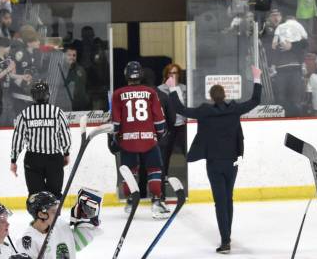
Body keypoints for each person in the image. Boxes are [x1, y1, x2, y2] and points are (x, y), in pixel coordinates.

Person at [168, 66, 262, 254]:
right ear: (224, 95)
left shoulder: (204, 111)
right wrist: (257, 78)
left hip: (214, 163)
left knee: (220, 201)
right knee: (228, 198)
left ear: (211, 97)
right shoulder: (234, 109)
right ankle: (227, 234)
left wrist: (172, 88)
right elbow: (255, 100)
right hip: (232, 162)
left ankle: (225, 240)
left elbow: (180, 108)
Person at [111, 61, 171, 219]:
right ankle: (157, 202)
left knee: (129, 171)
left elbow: (116, 122)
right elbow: (158, 118)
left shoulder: (118, 94)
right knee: (155, 169)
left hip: (127, 140)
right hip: (148, 139)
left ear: (126, 75)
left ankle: (130, 202)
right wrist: (160, 133)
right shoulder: (150, 92)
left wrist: (115, 137)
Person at [10, 81, 71, 197]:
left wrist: (13, 160)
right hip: (54, 159)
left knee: (36, 196)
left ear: (33, 96)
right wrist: (66, 153)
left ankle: (40, 215)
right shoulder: (57, 112)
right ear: (48, 95)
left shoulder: (25, 114)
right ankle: (52, 215)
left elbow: (17, 139)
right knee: (54, 194)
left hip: (33, 159)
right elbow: (65, 135)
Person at [18, 191, 100, 258]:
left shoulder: (60, 224)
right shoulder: (28, 242)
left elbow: (75, 244)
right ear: (41, 214)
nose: (58, 214)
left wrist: (87, 221)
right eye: (53, 211)